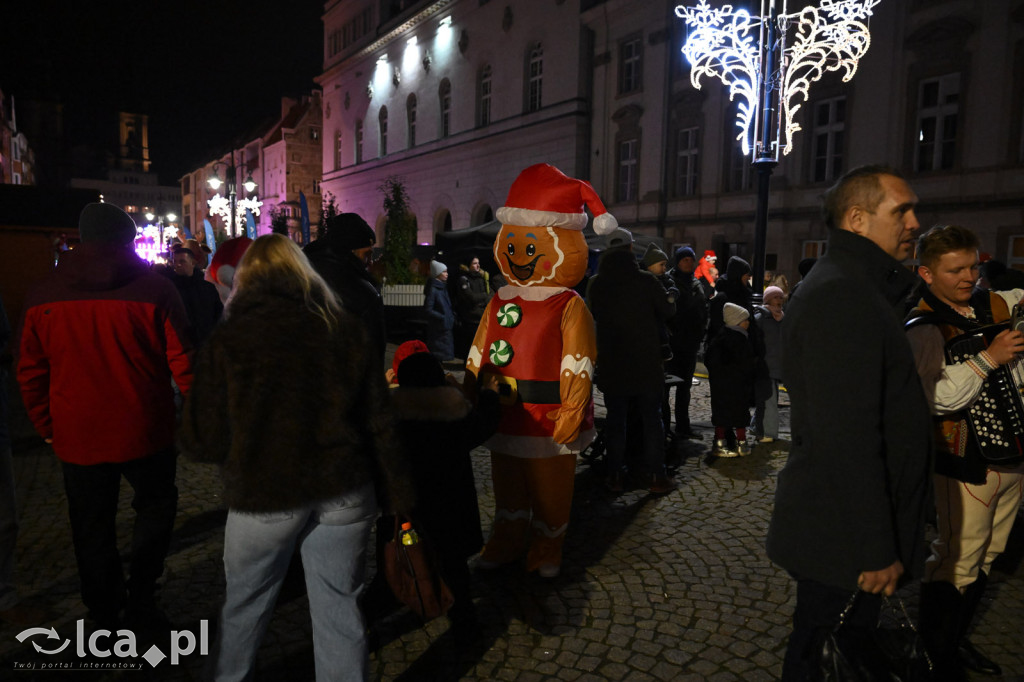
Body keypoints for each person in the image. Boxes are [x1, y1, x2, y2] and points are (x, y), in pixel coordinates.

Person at [180, 234, 413, 682]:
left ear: (246, 279)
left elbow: (198, 440)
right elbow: (380, 422)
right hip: (346, 489)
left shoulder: (231, 340)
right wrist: (398, 495)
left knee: (244, 606)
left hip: (269, 491)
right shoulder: (346, 330)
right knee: (340, 606)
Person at [765, 165, 932, 681]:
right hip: (841, 534)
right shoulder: (843, 294)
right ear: (858, 219)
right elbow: (848, 437)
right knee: (821, 654)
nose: (915, 222)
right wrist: (875, 547)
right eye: (900, 210)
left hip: (840, 526)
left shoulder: (855, 286)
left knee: (831, 645)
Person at [17, 202, 194, 630]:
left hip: (78, 433)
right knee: (154, 510)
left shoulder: (44, 293)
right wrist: (194, 413)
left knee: (90, 524)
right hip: (145, 427)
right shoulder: (156, 290)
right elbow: (184, 362)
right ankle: (142, 598)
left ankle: (102, 608)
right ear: (129, 240)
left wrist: (46, 426)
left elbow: (30, 371)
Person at [905, 224, 1024, 679]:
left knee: (989, 555)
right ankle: (933, 653)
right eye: (955, 269)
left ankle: (954, 640)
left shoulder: (987, 310)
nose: (968, 276)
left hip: (1010, 455)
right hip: (963, 462)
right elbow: (933, 397)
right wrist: (989, 358)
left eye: (972, 266)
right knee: (957, 557)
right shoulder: (922, 325)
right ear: (927, 273)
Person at [389, 351, 501, 638]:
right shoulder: (451, 410)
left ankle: (384, 609)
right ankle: (464, 625)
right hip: (451, 504)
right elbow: (483, 426)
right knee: (455, 566)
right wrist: (489, 395)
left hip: (411, 503)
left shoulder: (391, 413)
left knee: (411, 553)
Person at [589, 233, 677, 493]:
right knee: (652, 420)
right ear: (630, 249)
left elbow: (592, 315)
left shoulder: (597, 283)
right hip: (646, 364)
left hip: (613, 363)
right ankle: (657, 476)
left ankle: (615, 475)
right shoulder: (645, 280)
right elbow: (668, 310)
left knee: (616, 422)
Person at [305, 212, 386, 364]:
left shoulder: (303, 275)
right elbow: (373, 354)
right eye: (366, 254)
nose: (369, 262)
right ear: (350, 252)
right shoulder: (361, 292)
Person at [665, 246, 709, 440]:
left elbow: (702, 308)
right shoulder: (669, 281)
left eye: (691, 260)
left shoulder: (695, 282)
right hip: (673, 344)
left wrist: (701, 330)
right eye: (685, 260)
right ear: (678, 261)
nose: (689, 263)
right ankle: (664, 427)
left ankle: (683, 426)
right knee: (665, 388)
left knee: (685, 389)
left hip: (690, 343)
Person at [705, 303, 757, 458]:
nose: (748, 323)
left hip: (724, 385)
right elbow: (746, 362)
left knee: (725, 413)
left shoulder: (722, 337)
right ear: (736, 322)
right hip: (735, 384)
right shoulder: (738, 339)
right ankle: (735, 443)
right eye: (745, 320)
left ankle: (726, 441)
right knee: (737, 413)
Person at [168, 243, 223, 347]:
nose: (177, 265)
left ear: (193, 262)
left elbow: (218, 314)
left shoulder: (207, 288)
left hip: (205, 344)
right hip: (180, 345)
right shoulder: (170, 288)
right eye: (175, 262)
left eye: (182, 261)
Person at [752, 285, 785, 443]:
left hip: (776, 365)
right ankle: (766, 432)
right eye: (775, 297)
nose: (779, 300)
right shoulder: (762, 319)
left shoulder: (781, 317)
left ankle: (757, 427)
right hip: (764, 366)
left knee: (768, 400)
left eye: (780, 297)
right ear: (767, 300)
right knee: (768, 401)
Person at [641, 243, 678, 362]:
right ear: (649, 265)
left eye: (665, 265)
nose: (664, 268)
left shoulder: (667, 281)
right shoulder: (643, 282)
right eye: (661, 264)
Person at [455, 256, 492, 358]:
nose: (478, 265)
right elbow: (471, 298)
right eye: (475, 263)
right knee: (470, 345)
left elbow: (491, 295)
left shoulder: (481, 278)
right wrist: (484, 296)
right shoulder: (464, 279)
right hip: (470, 319)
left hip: (481, 317)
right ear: (469, 265)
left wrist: (483, 298)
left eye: (478, 263)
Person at [424, 260, 456, 361]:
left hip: (444, 327)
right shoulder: (434, 289)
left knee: (441, 355)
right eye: (444, 272)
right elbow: (428, 309)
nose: (447, 274)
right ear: (438, 273)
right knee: (438, 355)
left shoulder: (441, 288)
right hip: (439, 329)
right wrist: (442, 317)